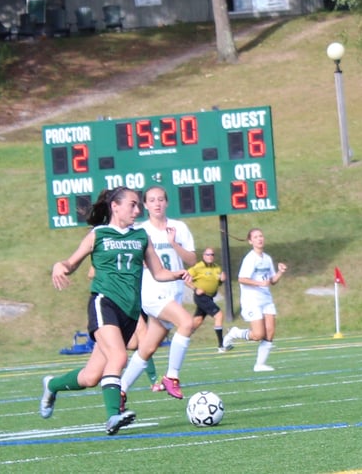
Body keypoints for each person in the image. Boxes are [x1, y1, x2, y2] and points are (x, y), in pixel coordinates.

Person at [40, 187, 189, 435]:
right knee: (118, 357)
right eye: (132, 204)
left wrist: (178, 274)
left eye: (138, 205)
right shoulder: (98, 234)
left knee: (90, 377)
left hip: (129, 312)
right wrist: (59, 265)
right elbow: (71, 263)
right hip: (104, 303)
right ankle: (112, 417)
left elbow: (159, 272)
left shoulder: (141, 236)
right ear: (115, 206)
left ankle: (52, 385)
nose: (137, 210)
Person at [119, 185, 197, 401]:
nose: (157, 203)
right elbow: (129, 260)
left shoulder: (178, 228)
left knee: (147, 347)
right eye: (152, 200)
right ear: (145, 205)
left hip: (174, 294)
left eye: (160, 199)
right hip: (153, 293)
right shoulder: (140, 231)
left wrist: (174, 244)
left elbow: (191, 260)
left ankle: (121, 389)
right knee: (187, 323)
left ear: (167, 202)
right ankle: (171, 377)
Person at [222, 227, 287, 372]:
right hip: (252, 300)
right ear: (250, 241)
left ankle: (260, 364)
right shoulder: (250, 259)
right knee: (258, 335)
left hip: (266, 299)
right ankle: (235, 333)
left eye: (261, 236)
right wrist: (259, 283)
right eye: (256, 237)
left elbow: (272, 280)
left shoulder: (267, 258)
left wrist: (280, 272)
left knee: (270, 332)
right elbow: (241, 279)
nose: (260, 239)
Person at [186, 247, 227, 352]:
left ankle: (181, 338)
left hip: (209, 297)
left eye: (212, 254)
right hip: (201, 297)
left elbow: (218, 282)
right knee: (219, 315)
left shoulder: (217, 268)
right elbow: (186, 278)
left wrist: (222, 280)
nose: (210, 256)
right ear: (203, 256)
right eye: (208, 254)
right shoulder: (198, 267)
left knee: (197, 321)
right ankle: (221, 345)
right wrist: (195, 288)